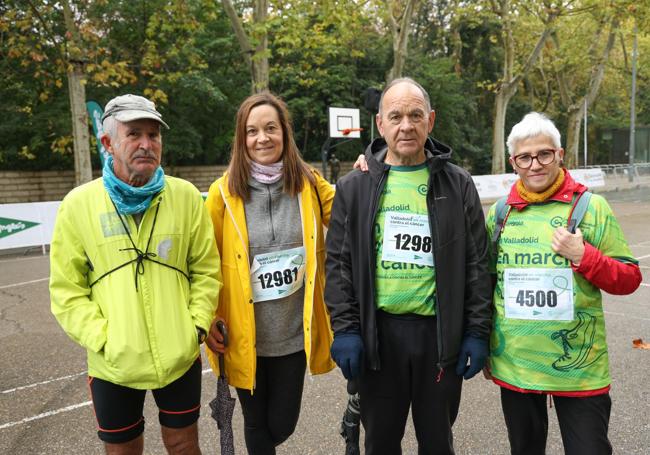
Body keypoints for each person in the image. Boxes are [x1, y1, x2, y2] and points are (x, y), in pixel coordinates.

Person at [324, 77, 493, 455]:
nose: (406, 125)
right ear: (380, 124)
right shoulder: (354, 187)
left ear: (430, 121)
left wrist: (477, 332)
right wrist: (346, 329)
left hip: (439, 339)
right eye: (396, 116)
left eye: (416, 115)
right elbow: (337, 264)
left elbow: (477, 265)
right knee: (381, 443)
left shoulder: (458, 183)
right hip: (378, 340)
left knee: (437, 443)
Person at [49, 94, 222, 455]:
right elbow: (67, 291)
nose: (147, 144)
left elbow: (206, 270)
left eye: (154, 135)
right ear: (108, 142)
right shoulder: (78, 205)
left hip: (179, 356)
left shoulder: (187, 196)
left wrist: (195, 328)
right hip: (113, 364)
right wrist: (103, 339)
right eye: (134, 134)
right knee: (123, 450)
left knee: (183, 445)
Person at [484, 112, 642, 455]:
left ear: (560, 154)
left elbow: (629, 278)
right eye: (524, 157)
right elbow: (485, 284)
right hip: (517, 367)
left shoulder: (591, 207)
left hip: (580, 372)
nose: (535, 164)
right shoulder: (499, 214)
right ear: (513, 163)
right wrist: (481, 343)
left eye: (544, 154)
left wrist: (584, 255)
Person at [204, 92, 336, 455]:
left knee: (281, 423)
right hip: (244, 337)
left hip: (294, 335)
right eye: (252, 131)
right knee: (255, 423)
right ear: (241, 138)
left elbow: (347, 211)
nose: (262, 138)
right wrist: (208, 319)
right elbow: (204, 262)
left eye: (270, 128)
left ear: (284, 133)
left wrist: (370, 165)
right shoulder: (222, 193)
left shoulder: (308, 182)